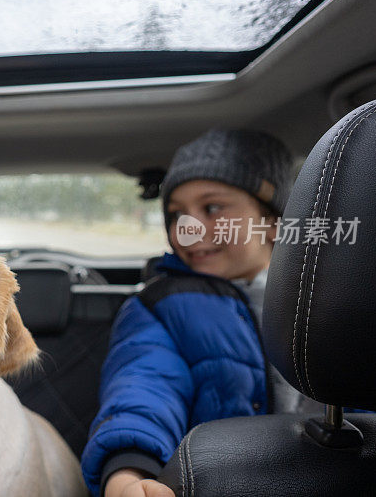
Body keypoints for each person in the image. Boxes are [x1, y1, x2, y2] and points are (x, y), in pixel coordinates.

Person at [80, 129, 320, 497]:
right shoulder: (159, 306)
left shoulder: (331, 298)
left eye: (212, 208)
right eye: (176, 215)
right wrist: (128, 471)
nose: (187, 229)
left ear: (273, 222)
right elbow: (144, 386)